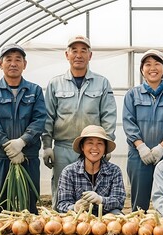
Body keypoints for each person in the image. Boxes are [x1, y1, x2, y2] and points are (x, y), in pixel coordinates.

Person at [42, 35, 117, 210]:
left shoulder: (102, 83)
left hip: (92, 147)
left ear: (90, 56)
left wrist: (105, 145)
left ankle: (93, 227)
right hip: (63, 147)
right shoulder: (55, 84)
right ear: (66, 55)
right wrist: (46, 146)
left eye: (83, 50)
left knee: (93, 190)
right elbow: (48, 117)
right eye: (74, 50)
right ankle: (61, 226)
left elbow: (109, 116)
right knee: (62, 192)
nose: (78, 55)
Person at [0, 43, 47, 214]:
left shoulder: (35, 91)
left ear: (25, 64)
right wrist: (8, 146)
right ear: (0, 64)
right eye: (8, 59)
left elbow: (39, 120)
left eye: (18, 59)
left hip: (28, 155)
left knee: (29, 202)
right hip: (0, 156)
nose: (13, 63)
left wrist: (22, 142)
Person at [122, 49, 163, 211]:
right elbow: (128, 122)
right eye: (147, 64)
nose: (152, 68)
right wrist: (141, 146)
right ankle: (138, 229)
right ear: (142, 70)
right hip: (138, 155)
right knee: (139, 203)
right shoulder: (132, 95)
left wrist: (162, 147)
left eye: (157, 64)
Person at [57, 125, 125, 215]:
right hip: (79, 218)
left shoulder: (114, 171)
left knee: (117, 215)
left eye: (100, 143)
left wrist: (100, 200)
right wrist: (75, 207)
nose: (95, 148)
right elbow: (62, 204)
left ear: (105, 149)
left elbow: (119, 201)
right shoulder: (69, 171)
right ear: (82, 147)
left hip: (106, 218)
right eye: (90, 143)